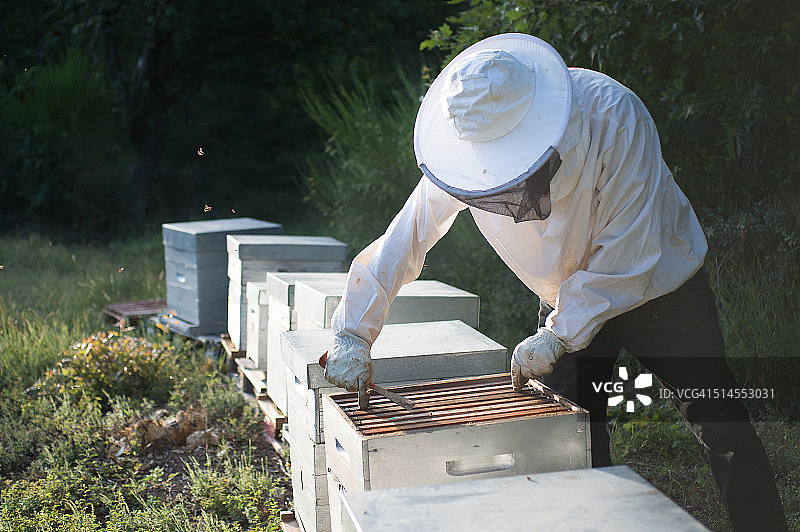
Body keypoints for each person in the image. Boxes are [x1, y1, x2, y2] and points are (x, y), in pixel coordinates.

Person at [322, 33, 788, 531]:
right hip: (564, 300)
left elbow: (629, 254)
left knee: (723, 425)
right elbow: (408, 235)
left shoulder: (615, 114)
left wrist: (557, 334)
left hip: (661, 289)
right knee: (569, 440)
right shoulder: (468, 146)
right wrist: (355, 329)